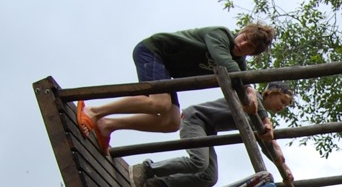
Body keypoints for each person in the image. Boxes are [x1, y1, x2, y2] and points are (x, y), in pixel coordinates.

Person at [76, 21, 275, 155]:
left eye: (249, 46)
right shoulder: (220, 35)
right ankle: (94, 111)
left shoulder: (238, 63)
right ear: (240, 32)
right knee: (159, 103)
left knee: (172, 122)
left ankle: (108, 125)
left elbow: (245, 82)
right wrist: (248, 89)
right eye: (244, 37)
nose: (243, 43)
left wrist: (265, 120)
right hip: (153, 52)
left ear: (252, 53)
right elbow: (226, 64)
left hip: (166, 70)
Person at [129, 81, 295, 187]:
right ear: (271, 92)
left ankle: (158, 182)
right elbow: (267, 133)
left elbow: (267, 142)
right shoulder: (251, 98)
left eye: (286, 105)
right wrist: (282, 163)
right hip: (195, 119)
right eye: (283, 100)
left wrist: (284, 167)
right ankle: (146, 169)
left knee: (208, 177)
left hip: (207, 130)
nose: (283, 106)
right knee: (198, 162)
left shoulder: (257, 117)